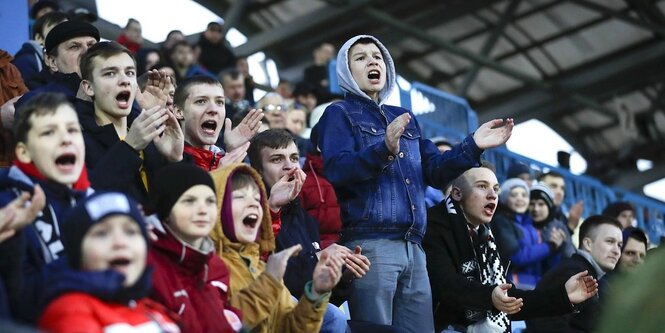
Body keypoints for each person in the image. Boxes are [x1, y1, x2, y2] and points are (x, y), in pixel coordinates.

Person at [313, 34, 514, 332]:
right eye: (361, 57)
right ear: (346, 70)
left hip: (415, 248)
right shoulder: (337, 114)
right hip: (369, 246)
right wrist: (383, 149)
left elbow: (434, 170)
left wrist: (473, 146)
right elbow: (339, 169)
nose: (372, 61)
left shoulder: (404, 118)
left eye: (378, 57)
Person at [423, 164, 599, 332]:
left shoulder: (486, 238)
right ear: (457, 193)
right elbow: (447, 285)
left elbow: (511, 300)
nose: (492, 195)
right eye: (482, 186)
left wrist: (563, 296)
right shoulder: (433, 224)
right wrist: (490, 296)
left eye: (496, 189)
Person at [248, 129, 371, 333]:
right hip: (266, 313)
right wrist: (318, 258)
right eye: (277, 159)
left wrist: (343, 274)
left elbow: (319, 296)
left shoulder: (305, 220)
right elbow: (269, 277)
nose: (289, 166)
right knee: (332, 317)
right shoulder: (248, 212)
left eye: (294, 158)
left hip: (304, 314)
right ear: (258, 171)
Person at [210, 162, 343, 332]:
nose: (253, 205)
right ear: (216, 208)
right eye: (240, 197)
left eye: (257, 199)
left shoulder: (259, 266)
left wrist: (315, 294)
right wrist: (268, 283)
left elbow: (291, 329)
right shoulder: (207, 268)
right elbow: (225, 326)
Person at [0, 93, 91, 322]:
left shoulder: (95, 203)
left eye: (72, 130)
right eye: (49, 132)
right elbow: (20, 303)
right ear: (23, 151)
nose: (66, 139)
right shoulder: (8, 205)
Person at [38, 192, 181, 333]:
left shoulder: (153, 310)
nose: (120, 242)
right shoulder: (69, 310)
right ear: (78, 251)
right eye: (101, 233)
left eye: (130, 232)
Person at [77, 41, 183, 205]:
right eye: (110, 73)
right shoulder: (77, 142)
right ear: (89, 87)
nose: (124, 80)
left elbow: (173, 207)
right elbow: (89, 201)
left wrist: (174, 161)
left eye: (130, 73)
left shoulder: (151, 138)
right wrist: (129, 148)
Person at [148, 163, 243, 333]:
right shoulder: (148, 265)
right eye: (189, 201)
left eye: (210, 201)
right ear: (165, 209)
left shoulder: (214, 265)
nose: (203, 210)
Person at [526, 215, 623, 333]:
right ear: (588, 244)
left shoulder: (582, 271)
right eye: (610, 241)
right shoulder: (572, 273)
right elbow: (547, 325)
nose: (616, 251)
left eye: (619, 245)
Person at [11, 20, 100, 120]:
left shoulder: (115, 95)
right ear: (52, 61)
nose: (86, 52)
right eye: (74, 47)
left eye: (91, 45)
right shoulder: (34, 103)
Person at [174, 75, 261, 171]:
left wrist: (233, 151)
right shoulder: (165, 159)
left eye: (219, 102)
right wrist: (220, 174)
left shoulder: (224, 157)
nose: (214, 110)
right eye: (201, 101)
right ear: (178, 112)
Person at [528, 183, 575, 275]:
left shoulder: (558, 228)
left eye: (541, 204)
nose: (535, 209)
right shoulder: (521, 225)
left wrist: (559, 248)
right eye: (532, 204)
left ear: (549, 207)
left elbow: (571, 258)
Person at [12, 11, 68, 88]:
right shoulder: (26, 61)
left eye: (67, 29)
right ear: (39, 38)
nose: (64, 34)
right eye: (56, 29)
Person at [538, 171, 584, 239]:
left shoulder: (561, 217)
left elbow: (563, 246)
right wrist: (570, 226)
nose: (559, 192)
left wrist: (570, 226)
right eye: (553, 186)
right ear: (540, 188)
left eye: (562, 188)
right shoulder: (531, 212)